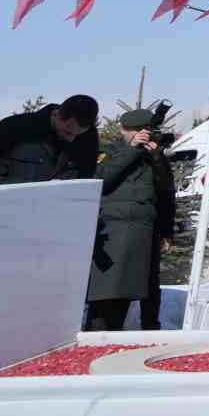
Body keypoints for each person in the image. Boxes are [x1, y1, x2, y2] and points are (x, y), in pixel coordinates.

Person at [84, 108, 161, 331]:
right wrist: (131, 150)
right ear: (124, 130)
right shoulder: (110, 152)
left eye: (146, 130)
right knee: (103, 298)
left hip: (141, 234)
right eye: (137, 131)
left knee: (127, 295)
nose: (143, 135)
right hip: (111, 234)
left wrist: (157, 158)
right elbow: (101, 179)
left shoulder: (151, 155)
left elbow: (165, 191)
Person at [0, 95, 98, 184]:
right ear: (56, 114)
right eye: (67, 132)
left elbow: (86, 180)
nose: (71, 139)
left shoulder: (89, 137)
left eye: (79, 135)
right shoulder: (13, 127)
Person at [140, 128, 176, 330]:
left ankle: (150, 326)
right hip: (127, 230)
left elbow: (167, 195)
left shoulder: (159, 160)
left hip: (153, 229)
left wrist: (167, 231)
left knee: (151, 282)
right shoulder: (125, 155)